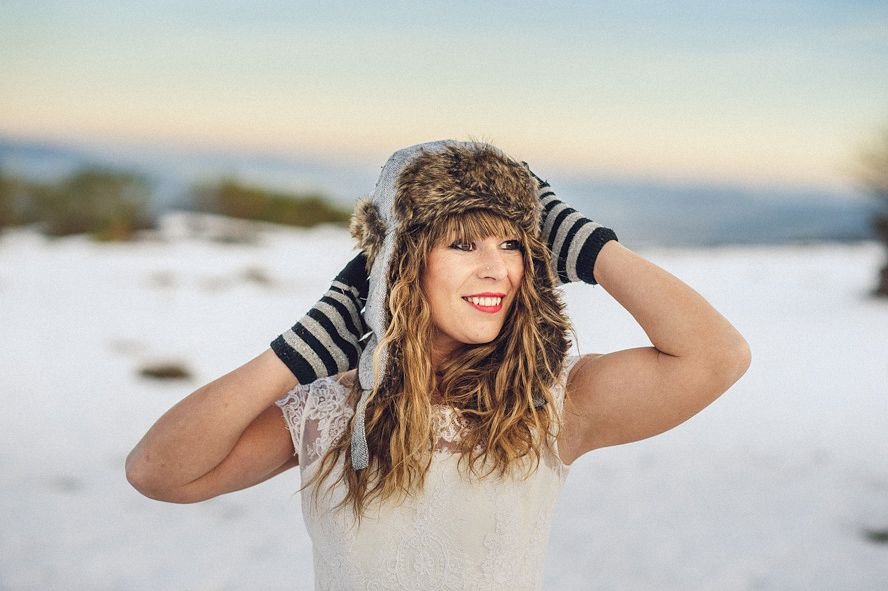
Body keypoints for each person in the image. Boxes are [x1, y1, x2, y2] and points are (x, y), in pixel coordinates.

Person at [126, 140, 751, 589]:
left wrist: (586, 243)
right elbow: (160, 472)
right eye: (463, 243)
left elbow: (717, 357)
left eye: (512, 242)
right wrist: (302, 351)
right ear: (402, 263)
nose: (496, 268)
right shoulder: (334, 409)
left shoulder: (554, 404)